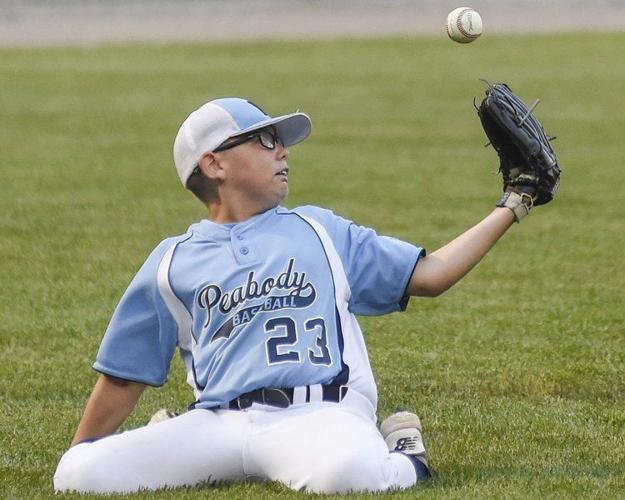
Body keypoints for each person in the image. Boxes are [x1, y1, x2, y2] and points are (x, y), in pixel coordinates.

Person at [53, 97, 531, 494]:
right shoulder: (171, 261)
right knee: (77, 474)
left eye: (281, 140)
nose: (282, 150)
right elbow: (124, 376)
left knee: (350, 475)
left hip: (318, 413)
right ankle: (170, 436)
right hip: (216, 424)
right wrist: (85, 453)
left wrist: (514, 201)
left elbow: (431, 274)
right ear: (213, 163)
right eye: (264, 140)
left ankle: (406, 452)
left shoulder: (317, 230)